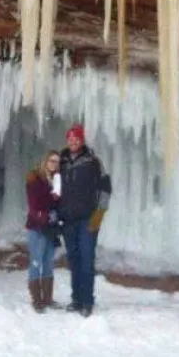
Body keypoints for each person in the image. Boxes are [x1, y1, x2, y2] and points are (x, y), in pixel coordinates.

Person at [59, 123, 112, 317]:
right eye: (70, 138)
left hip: (88, 219)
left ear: (81, 140)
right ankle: (76, 299)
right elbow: (54, 188)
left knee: (87, 260)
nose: (73, 141)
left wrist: (99, 215)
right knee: (73, 260)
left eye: (76, 138)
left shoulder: (93, 160)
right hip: (68, 220)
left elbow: (106, 186)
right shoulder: (61, 160)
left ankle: (88, 302)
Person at [24, 149, 61, 312]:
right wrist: (45, 215)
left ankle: (47, 299)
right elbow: (33, 206)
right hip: (37, 227)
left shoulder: (55, 180)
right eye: (52, 161)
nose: (54, 164)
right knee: (36, 261)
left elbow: (57, 202)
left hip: (50, 228)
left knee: (48, 262)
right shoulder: (35, 179)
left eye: (57, 162)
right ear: (45, 161)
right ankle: (36, 300)